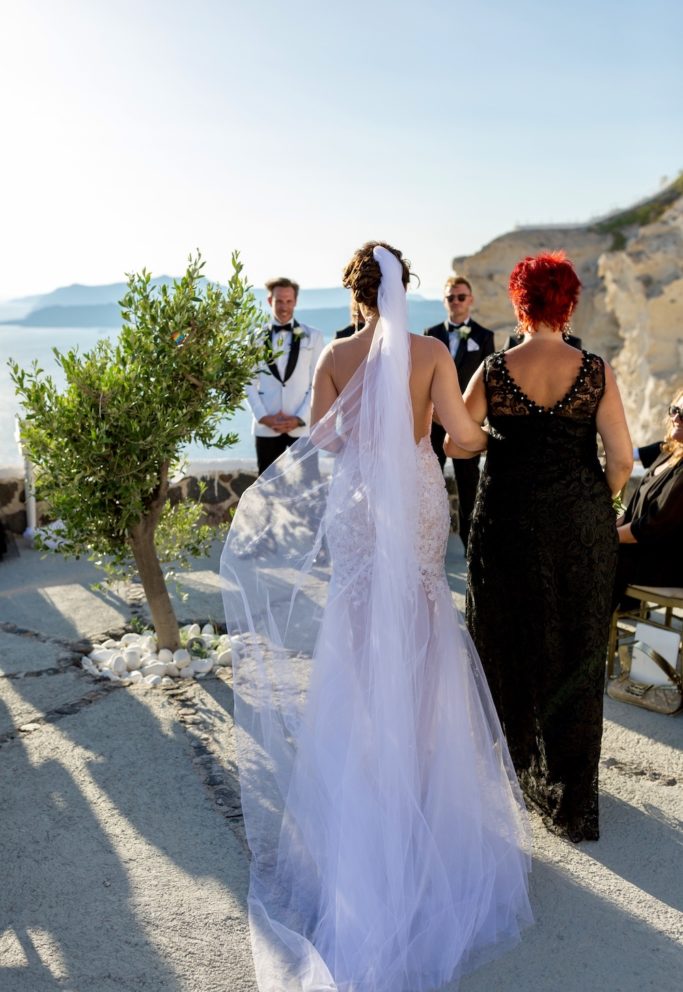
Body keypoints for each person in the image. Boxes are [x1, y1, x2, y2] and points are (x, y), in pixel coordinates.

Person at [221, 243, 532, 992]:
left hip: (358, 506)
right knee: (424, 628)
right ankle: (422, 791)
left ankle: (362, 785)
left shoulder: (332, 353)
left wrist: (362, 439)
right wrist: (489, 438)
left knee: (357, 635)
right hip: (418, 498)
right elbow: (460, 436)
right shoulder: (429, 351)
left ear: (354, 293)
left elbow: (322, 443)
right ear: (404, 287)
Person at [450, 250, 632, 843]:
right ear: (570, 302)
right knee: (577, 651)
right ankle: (574, 796)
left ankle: (512, 781)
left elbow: (458, 440)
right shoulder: (596, 370)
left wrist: (491, 445)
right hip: (579, 523)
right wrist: (589, 501)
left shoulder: (496, 369)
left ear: (519, 302)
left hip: (508, 524)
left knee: (510, 644)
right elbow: (624, 460)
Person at [424, 275, 494, 550]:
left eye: (461, 297)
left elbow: (489, 386)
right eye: (450, 297)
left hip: (468, 423)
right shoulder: (431, 335)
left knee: (469, 487)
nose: (455, 302)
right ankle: (430, 545)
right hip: (434, 424)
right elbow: (424, 381)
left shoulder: (484, 336)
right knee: (430, 486)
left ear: (470, 299)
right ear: (444, 301)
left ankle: (471, 546)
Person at [245, 277, 324, 475]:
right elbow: (247, 381)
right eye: (279, 301)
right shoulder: (254, 338)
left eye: (289, 301)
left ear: (295, 302)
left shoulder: (313, 336)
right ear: (270, 301)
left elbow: (318, 382)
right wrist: (263, 417)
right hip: (266, 427)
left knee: (309, 486)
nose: (284, 307)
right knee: (265, 489)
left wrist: (300, 417)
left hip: (302, 428)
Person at [614, 389, 683, 605]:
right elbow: (634, 510)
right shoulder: (670, 452)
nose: (675, 418)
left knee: (589, 559)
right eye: (675, 410)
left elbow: (651, 527)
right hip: (645, 549)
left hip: (667, 563)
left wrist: (605, 538)